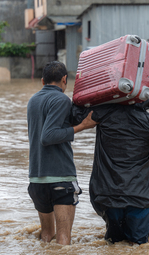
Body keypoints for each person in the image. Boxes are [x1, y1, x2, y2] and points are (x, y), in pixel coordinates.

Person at [71, 80, 149, 245]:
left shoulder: (103, 115)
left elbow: (75, 114)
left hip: (107, 197)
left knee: (113, 244)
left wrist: (98, 95)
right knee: (137, 246)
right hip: (139, 199)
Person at [27, 61, 98, 245]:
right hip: (60, 178)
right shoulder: (61, 100)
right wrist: (83, 126)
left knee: (46, 236)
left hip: (36, 180)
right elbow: (48, 136)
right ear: (64, 79)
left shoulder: (33, 100)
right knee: (63, 239)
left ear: (43, 81)